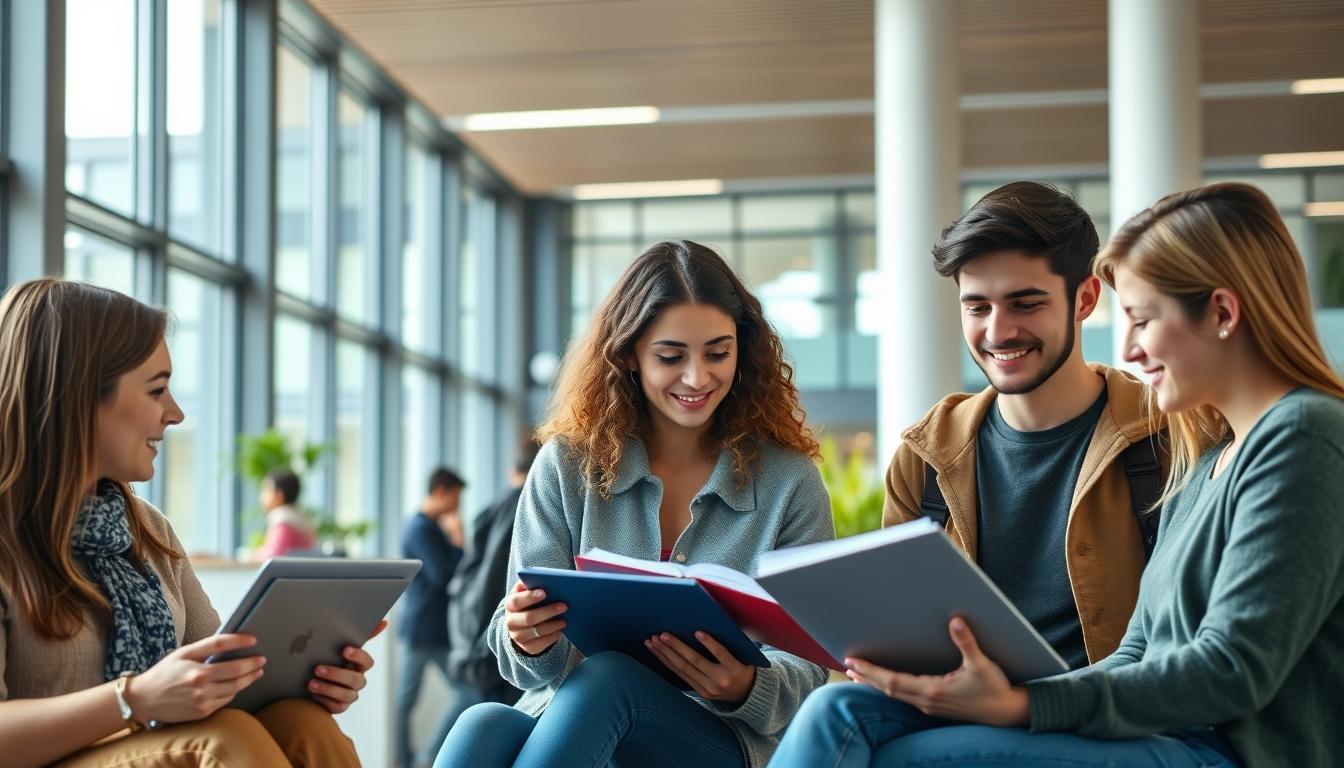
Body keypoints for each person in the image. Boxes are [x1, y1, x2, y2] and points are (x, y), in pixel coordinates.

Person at [769, 182, 1344, 768]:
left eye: (1143, 320)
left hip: (1217, 749)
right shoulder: (1208, 456)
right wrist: (1009, 699)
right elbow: (1140, 647)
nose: (1131, 349)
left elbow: (1230, 669)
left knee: (900, 759)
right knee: (835, 712)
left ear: (1222, 313)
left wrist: (1022, 707)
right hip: (1145, 732)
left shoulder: (1300, 434)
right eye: (977, 306)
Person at [435, 240, 835, 768]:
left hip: (717, 739)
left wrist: (746, 685)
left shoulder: (789, 482)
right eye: (671, 356)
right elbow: (526, 663)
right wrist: (527, 638)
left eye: (718, 352)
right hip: (572, 720)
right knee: (482, 722)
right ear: (627, 354)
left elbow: (812, 666)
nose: (698, 377)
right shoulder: (566, 464)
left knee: (609, 678)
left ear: (744, 349)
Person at [0, 278, 380, 768]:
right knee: (222, 741)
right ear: (77, 397)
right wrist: (132, 698)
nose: (175, 414)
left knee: (300, 722)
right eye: (157, 390)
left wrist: (311, 680)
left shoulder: (146, 530)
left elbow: (218, 670)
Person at [883, 181, 1164, 673]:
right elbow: (899, 631)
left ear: (1085, 299)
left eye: (1025, 303)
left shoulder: (1165, 436)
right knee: (840, 701)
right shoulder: (923, 456)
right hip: (958, 719)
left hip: (1105, 727)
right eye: (977, 307)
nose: (997, 332)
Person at [445, 440, 541, 709]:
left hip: (477, 641)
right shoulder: (530, 509)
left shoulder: (491, 510)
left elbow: (469, 578)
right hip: (500, 645)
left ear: (512, 470)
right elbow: (498, 580)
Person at [397, 467, 468, 768]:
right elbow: (446, 574)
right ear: (441, 491)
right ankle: (414, 759)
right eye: (456, 497)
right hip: (425, 629)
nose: (457, 506)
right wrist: (458, 539)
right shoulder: (420, 529)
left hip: (431, 628)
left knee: (463, 693)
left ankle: (421, 757)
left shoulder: (429, 527)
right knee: (408, 699)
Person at [253, 468, 316, 559]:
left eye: (266, 489)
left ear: (279, 495)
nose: (261, 496)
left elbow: (272, 556)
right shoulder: (298, 518)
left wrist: (253, 554)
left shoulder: (283, 522)